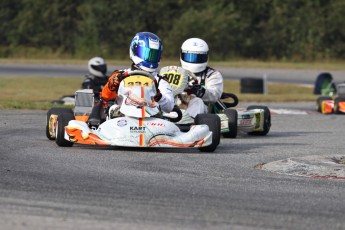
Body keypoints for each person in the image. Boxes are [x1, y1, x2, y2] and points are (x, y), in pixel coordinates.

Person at [87, 32, 174, 127]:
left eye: (153, 55)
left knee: (160, 111)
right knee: (113, 108)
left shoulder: (160, 80)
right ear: (134, 50)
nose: (149, 58)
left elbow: (169, 107)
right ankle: (115, 115)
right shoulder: (120, 75)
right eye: (146, 53)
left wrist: (159, 96)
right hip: (122, 121)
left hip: (151, 122)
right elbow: (105, 96)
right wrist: (112, 85)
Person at [179, 38, 224, 118]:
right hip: (177, 104)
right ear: (182, 55)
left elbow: (214, 95)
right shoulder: (176, 72)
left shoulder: (212, 74)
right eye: (189, 57)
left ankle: (189, 122)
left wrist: (200, 91)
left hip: (203, 110)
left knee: (197, 101)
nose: (193, 61)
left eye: (198, 58)